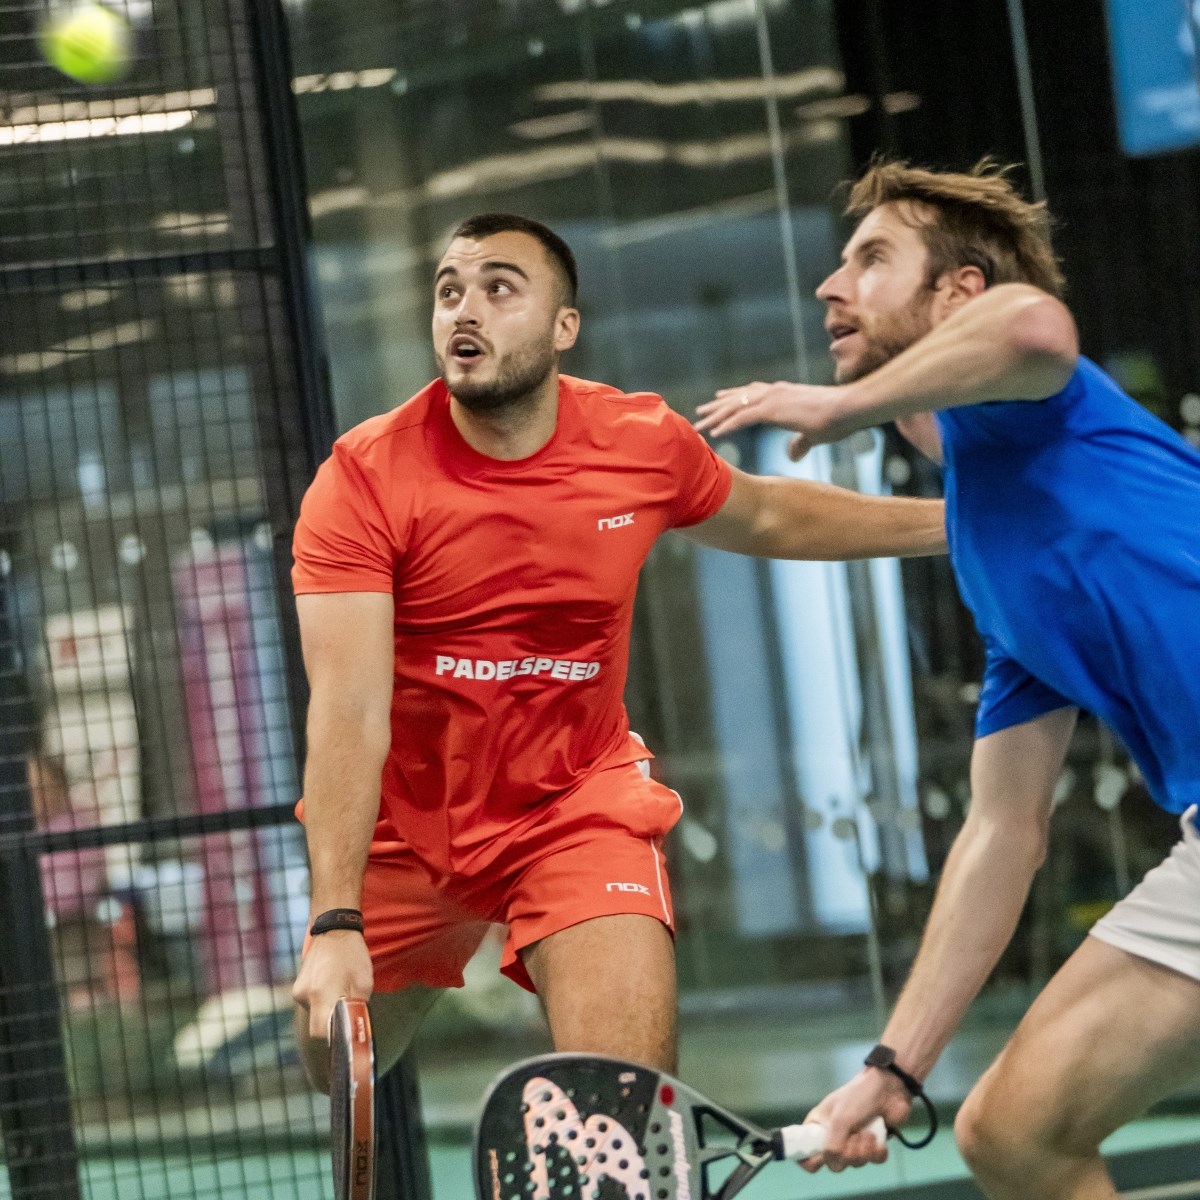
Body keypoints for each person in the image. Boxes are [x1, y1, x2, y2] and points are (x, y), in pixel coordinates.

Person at [289, 212, 945, 1091]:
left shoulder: (639, 443)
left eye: (498, 288)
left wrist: (965, 526)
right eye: (449, 292)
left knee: (624, 1110)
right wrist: (335, 921)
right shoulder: (363, 478)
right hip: (407, 825)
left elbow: (771, 513)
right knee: (335, 1071)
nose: (464, 310)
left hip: (573, 808)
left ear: (565, 328)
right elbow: (349, 708)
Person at [695, 161, 1200, 1200]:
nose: (833, 287)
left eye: (872, 259)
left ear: (957, 293)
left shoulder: (1025, 404)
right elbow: (1001, 832)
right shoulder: (987, 553)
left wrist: (843, 405)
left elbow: (1034, 329)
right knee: (1014, 1136)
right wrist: (892, 1068)